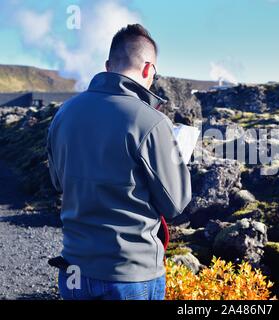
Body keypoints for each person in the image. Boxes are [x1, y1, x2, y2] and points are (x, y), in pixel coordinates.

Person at [46, 24, 192, 300]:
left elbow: (57, 181)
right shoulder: (151, 121)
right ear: (149, 69)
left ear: (108, 65)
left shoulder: (64, 114)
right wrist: (177, 164)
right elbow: (175, 204)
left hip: (74, 269)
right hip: (129, 276)